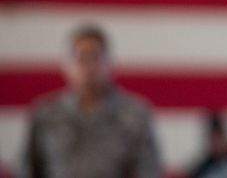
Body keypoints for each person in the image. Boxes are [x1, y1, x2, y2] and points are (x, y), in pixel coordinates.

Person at [22, 23, 161, 178]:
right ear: (66, 64)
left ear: (109, 62)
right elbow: (28, 169)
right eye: (80, 58)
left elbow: (148, 171)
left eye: (95, 57)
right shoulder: (46, 114)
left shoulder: (135, 114)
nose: (89, 67)